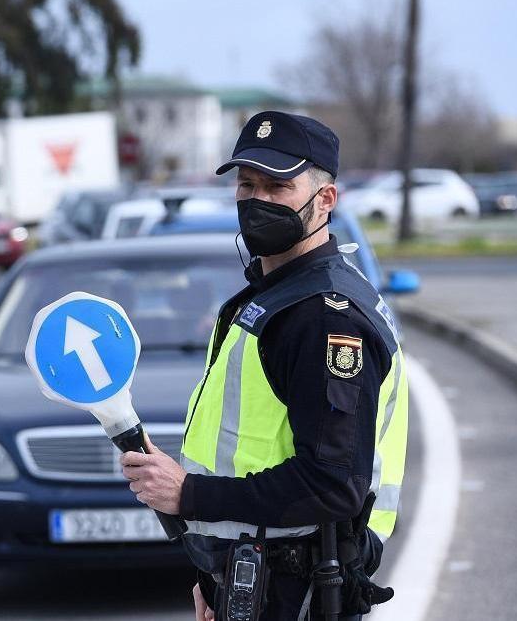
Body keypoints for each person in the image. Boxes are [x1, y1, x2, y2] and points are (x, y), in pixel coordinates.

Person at [121, 111, 408, 620]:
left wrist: (188, 494)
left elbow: (331, 483)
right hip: (252, 581)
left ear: (325, 200)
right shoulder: (270, 297)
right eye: (246, 184)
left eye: (277, 186)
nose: (257, 201)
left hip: (300, 592)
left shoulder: (321, 316)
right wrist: (214, 578)